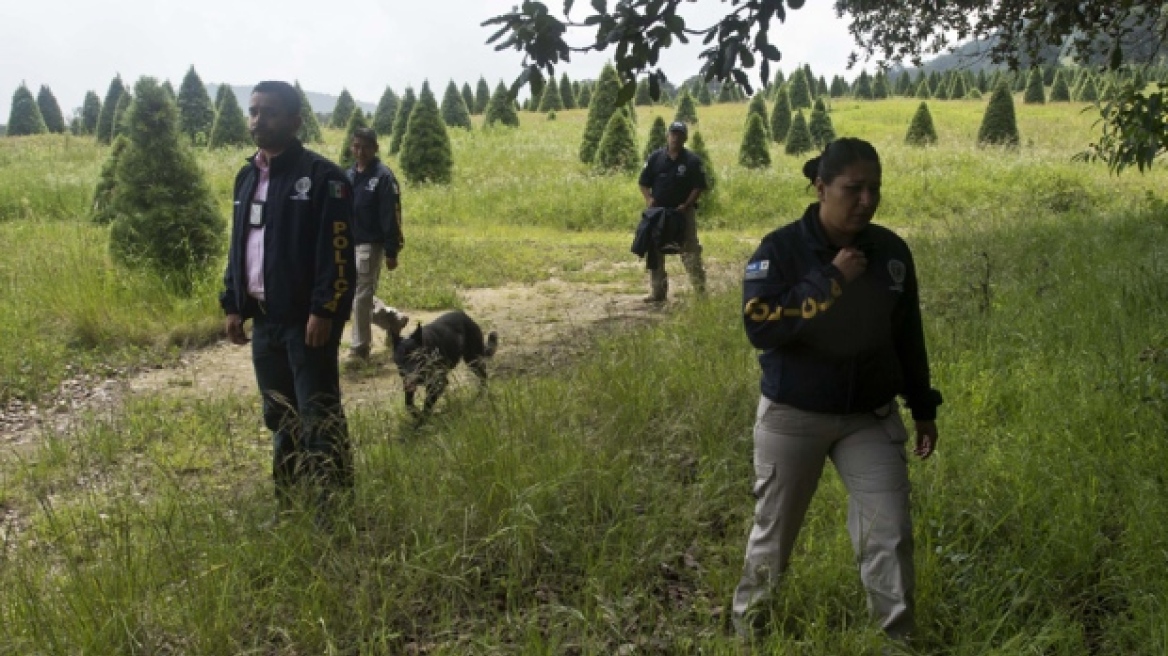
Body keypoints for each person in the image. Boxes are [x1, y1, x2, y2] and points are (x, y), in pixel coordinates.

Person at [731, 138, 942, 642]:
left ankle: (899, 643)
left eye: (875, 189)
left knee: (889, 535)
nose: (867, 200)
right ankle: (748, 633)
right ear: (821, 187)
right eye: (854, 188)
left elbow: (907, 333)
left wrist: (923, 405)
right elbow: (760, 325)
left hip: (868, 417)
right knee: (773, 537)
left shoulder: (890, 251)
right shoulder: (780, 249)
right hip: (793, 415)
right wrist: (830, 281)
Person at [220, 80, 357, 525]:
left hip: (307, 322)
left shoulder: (322, 178)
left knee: (319, 415)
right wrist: (233, 303)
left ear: (296, 121)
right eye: (254, 111)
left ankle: (333, 509)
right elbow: (239, 245)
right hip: (265, 321)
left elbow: (337, 252)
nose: (259, 120)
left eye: (271, 112)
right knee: (280, 416)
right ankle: (290, 505)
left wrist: (324, 310)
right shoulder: (247, 177)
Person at [346, 127, 404, 363]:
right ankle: (392, 320)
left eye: (366, 147)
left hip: (371, 244)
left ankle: (359, 349)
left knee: (360, 294)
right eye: (356, 146)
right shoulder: (349, 176)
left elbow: (391, 216)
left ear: (375, 148)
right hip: (349, 242)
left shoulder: (383, 177)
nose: (360, 152)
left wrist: (392, 250)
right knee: (355, 293)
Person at [637, 120, 707, 302]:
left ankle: (700, 292)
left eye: (679, 134)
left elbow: (699, 186)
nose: (675, 138)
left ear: (685, 138)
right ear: (667, 136)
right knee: (655, 250)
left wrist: (687, 204)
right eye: (673, 134)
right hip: (659, 213)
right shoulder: (655, 158)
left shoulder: (692, 161)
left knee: (689, 250)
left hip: (682, 213)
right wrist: (649, 199)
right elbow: (643, 182)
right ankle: (658, 293)